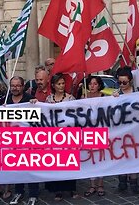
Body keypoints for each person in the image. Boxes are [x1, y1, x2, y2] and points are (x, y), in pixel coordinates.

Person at [43, 73, 78, 201]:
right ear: (53, 85)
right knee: (57, 163)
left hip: (67, 135)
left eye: (63, 83)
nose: (61, 86)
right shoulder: (48, 100)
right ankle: (58, 190)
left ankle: (71, 188)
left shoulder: (71, 99)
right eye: (59, 84)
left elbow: (75, 116)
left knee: (69, 162)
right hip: (53, 136)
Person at [6, 76, 38, 205]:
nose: (15, 88)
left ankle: (33, 194)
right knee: (17, 167)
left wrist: (37, 105)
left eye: (18, 85)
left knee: (31, 167)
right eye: (13, 85)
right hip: (12, 141)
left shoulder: (30, 100)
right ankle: (18, 191)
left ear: (23, 86)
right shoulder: (6, 100)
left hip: (29, 140)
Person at [113, 66, 139, 194]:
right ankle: (122, 180)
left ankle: (134, 182)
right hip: (121, 131)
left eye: (124, 82)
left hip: (136, 130)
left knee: (134, 155)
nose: (122, 85)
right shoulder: (116, 94)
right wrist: (113, 100)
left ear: (130, 81)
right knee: (121, 156)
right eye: (119, 82)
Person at [82, 75, 106, 197]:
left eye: (95, 84)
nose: (92, 86)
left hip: (100, 130)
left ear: (99, 85)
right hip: (87, 131)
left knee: (100, 158)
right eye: (90, 84)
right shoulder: (83, 97)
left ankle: (100, 184)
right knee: (90, 158)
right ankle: (92, 185)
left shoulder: (104, 97)